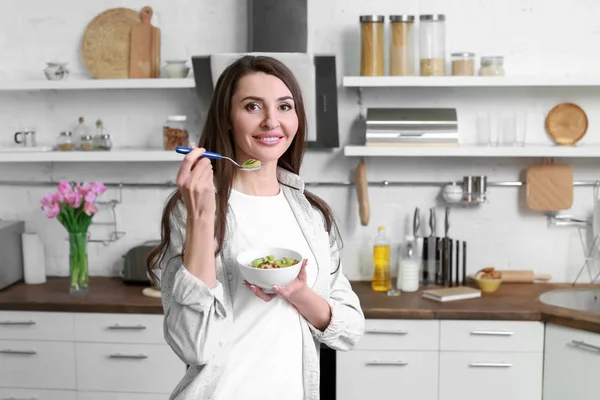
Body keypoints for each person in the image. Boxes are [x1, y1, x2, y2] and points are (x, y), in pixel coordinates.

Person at [147, 55, 365, 400]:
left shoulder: (311, 214)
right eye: (252, 106)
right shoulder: (190, 208)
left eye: (284, 106)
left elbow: (349, 330)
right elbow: (195, 346)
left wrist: (296, 292)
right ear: (227, 119)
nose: (271, 122)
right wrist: (203, 218)